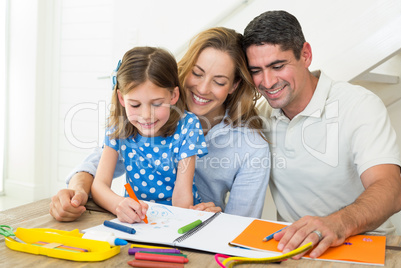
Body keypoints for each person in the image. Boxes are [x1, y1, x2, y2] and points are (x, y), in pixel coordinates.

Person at [50, 27, 270, 221]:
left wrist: (214, 219)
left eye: (219, 81)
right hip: (139, 222)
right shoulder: (139, 121)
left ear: (234, 85)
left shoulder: (250, 146)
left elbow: (241, 225)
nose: (203, 89)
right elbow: (97, 167)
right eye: (196, 73)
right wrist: (77, 190)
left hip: (192, 227)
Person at [242, 10, 401, 259]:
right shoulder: (259, 116)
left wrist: (337, 223)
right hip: (297, 251)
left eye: (277, 66)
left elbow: (391, 190)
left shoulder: (358, 105)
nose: (267, 81)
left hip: (366, 245)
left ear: (305, 55)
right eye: (256, 70)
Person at [90, 46, 208, 223]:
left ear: (173, 95)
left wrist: (172, 225)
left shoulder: (188, 125)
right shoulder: (118, 126)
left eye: (157, 104)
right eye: (135, 105)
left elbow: (182, 197)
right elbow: (99, 186)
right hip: (138, 219)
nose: (146, 116)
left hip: (180, 217)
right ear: (122, 99)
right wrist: (119, 204)